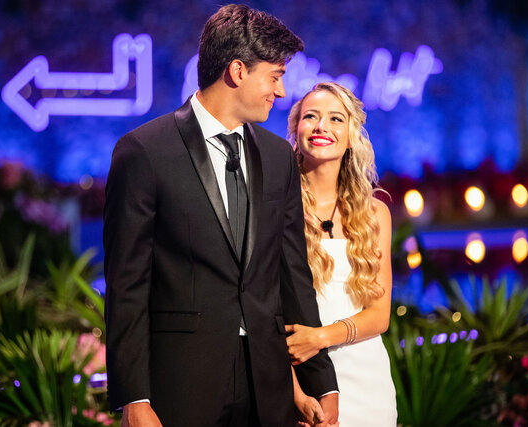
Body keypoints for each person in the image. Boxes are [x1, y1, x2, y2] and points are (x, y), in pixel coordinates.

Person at [103, 5, 338, 427]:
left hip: (268, 386)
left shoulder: (278, 156)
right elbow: (127, 285)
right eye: (275, 76)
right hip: (181, 385)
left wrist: (322, 383)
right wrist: (134, 398)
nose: (281, 91)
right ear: (237, 71)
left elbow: (293, 275)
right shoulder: (144, 152)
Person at [285, 82, 397, 426]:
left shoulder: (375, 213)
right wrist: (296, 394)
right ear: (296, 130)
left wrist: (319, 337)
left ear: (351, 135)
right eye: (311, 117)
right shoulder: (276, 208)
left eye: (335, 118)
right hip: (302, 380)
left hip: (367, 384)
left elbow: (379, 316)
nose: (322, 127)